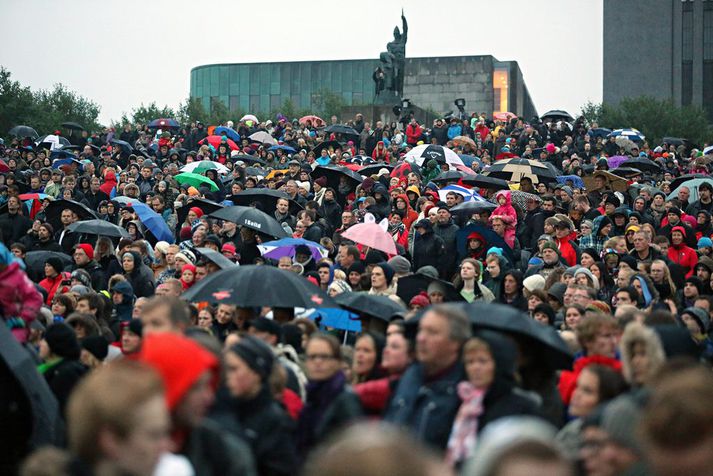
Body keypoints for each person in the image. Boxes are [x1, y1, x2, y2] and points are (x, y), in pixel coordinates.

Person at [138, 332, 256, 476]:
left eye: (209, 385)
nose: (209, 397)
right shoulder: (118, 450)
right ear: (171, 387)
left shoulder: (223, 452)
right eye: (196, 387)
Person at [445, 331, 540, 467]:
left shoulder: (521, 406)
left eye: (482, 361)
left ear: (499, 364)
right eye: (470, 362)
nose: (475, 367)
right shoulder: (462, 400)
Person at [384, 304, 470, 450]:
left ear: (455, 343)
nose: (421, 338)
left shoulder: (465, 390)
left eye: (432, 332)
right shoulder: (410, 376)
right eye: (421, 330)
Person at [222, 335, 299, 476]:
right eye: (226, 369)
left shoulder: (276, 423)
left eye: (234, 369)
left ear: (257, 373)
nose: (227, 375)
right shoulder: (223, 410)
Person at [296, 333, 363, 455]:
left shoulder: (346, 399)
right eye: (312, 357)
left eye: (324, 357)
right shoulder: (312, 397)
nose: (317, 362)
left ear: (338, 362)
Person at [37, 322, 89, 414]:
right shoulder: (47, 367)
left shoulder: (67, 374)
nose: (40, 343)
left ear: (55, 344)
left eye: (44, 340)